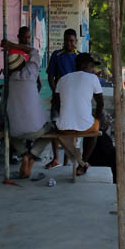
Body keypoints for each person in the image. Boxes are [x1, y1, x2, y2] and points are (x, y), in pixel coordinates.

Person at [51, 53, 105, 176]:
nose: (93, 70)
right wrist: (96, 118)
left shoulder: (63, 78)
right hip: (84, 128)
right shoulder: (93, 78)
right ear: (84, 65)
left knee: (85, 124)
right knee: (94, 131)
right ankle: (83, 163)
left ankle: (80, 162)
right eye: (91, 66)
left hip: (63, 128)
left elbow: (56, 103)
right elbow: (100, 104)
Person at [3, 47, 53, 179]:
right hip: (35, 129)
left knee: (11, 135)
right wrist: (12, 44)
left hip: (16, 130)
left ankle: (23, 153)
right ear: (23, 64)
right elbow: (34, 52)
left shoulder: (9, 81)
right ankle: (30, 154)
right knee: (51, 131)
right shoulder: (31, 73)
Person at [45, 28, 79, 169]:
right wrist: (55, 92)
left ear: (76, 41)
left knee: (71, 129)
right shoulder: (57, 55)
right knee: (56, 126)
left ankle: (67, 160)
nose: (69, 43)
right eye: (66, 40)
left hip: (74, 99)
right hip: (59, 98)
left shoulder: (80, 57)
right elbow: (50, 76)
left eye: (71, 41)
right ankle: (56, 158)